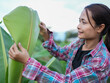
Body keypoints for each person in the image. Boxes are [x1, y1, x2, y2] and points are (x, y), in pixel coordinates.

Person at [8, 3, 110, 83]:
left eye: (84, 22)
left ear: (100, 27)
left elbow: (66, 81)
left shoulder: (100, 60)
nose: (78, 26)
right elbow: (60, 53)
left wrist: (27, 62)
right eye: (79, 21)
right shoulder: (79, 43)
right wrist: (45, 35)